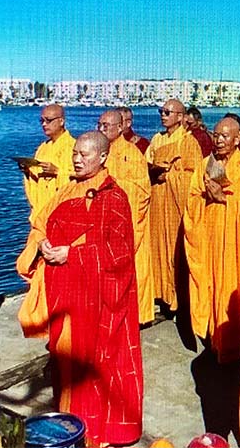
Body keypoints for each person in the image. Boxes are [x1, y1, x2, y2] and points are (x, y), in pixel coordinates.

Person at [15, 132, 143, 446]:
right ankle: (69, 422)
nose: (77, 159)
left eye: (85, 154)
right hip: (66, 294)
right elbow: (42, 223)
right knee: (66, 362)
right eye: (75, 153)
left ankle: (96, 430)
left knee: (95, 365)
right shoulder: (67, 190)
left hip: (97, 301)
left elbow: (121, 253)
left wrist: (72, 254)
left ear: (102, 158)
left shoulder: (114, 198)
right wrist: (42, 244)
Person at [185, 117, 240, 363]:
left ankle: (233, 345)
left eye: (225, 136)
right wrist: (204, 198)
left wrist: (226, 199)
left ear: (237, 138)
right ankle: (212, 337)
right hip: (209, 237)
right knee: (208, 284)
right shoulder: (204, 165)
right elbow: (191, 202)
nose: (219, 140)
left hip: (235, 242)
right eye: (216, 135)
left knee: (232, 288)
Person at [98, 110, 154, 324]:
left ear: (120, 128)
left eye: (106, 125)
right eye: (99, 125)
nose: (101, 129)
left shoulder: (131, 153)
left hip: (129, 220)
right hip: (106, 221)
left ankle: (137, 316)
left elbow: (142, 191)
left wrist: (115, 188)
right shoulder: (101, 152)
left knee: (134, 268)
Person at [146, 99, 202, 312]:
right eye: (162, 111)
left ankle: (178, 298)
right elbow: (147, 164)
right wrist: (154, 172)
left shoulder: (188, 142)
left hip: (176, 203)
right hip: (157, 200)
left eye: (168, 112)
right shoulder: (156, 139)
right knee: (156, 246)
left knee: (175, 248)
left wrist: (169, 176)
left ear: (180, 117)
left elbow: (193, 176)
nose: (163, 115)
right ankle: (160, 294)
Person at [22, 104, 75, 221]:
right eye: (42, 120)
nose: (44, 124)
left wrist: (58, 172)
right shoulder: (42, 148)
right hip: (40, 211)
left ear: (61, 121)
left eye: (49, 120)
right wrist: (27, 171)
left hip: (60, 213)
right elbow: (36, 179)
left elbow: (78, 180)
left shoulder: (73, 147)